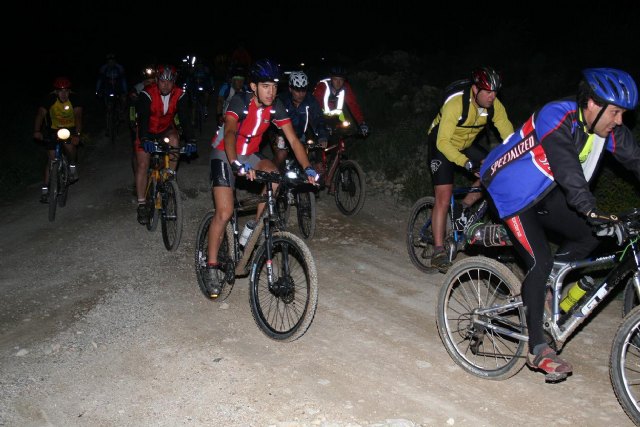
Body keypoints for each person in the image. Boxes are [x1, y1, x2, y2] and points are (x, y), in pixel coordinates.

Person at [480, 68, 640, 380]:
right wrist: (591, 210)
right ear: (592, 103)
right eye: (616, 112)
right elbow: (567, 168)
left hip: (546, 192)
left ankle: (543, 285)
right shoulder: (556, 116)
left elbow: (636, 160)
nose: (620, 121)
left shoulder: (607, 129)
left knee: (591, 237)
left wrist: (592, 219)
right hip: (512, 189)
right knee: (539, 260)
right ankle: (537, 348)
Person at [203, 59, 319, 298]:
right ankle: (211, 266)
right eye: (266, 86)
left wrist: (308, 168)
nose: (272, 91)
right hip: (225, 153)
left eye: (275, 86)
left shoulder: (276, 107)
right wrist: (236, 163)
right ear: (254, 86)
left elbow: (294, 141)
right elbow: (232, 132)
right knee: (224, 212)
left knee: (275, 176)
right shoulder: (240, 102)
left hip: (250, 154)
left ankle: (253, 228)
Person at [427, 66, 514, 272]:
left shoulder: (495, 106)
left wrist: (518, 157)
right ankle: (438, 250)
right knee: (443, 195)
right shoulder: (456, 104)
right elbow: (444, 142)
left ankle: (463, 206)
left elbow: (510, 138)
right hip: (441, 145)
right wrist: (466, 163)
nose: (493, 97)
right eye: (488, 92)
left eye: (495, 92)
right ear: (475, 89)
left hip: (466, 145)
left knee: (495, 169)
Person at [135, 64, 196, 224]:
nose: (166, 85)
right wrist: (144, 139)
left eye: (170, 82)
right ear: (157, 80)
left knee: (175, 140)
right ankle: (141, 203)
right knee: (143, 164)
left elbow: (184, 118)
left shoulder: (180, 94)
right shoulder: (147, 93)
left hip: (164, 130)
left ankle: (168, 179)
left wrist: (191, 140)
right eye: (162, 81)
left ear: (174, 81)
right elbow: (142, 118)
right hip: (146, 131)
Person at [33, 76, 83, 203]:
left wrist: (77, 134)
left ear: (69, 91)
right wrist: (37, 131)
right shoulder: (49, 99)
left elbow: (78, 116)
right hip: (53, 129)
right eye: (61, 91)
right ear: (55, 91)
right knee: (51, 159)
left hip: (70, 129)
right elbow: (40, 114)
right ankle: (45, 190)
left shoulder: (75, 99)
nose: (64, 94)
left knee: (69, 146)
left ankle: (72, 165)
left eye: (66, 91)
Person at [271, 70, 329, 169]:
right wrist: (278, 135)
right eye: (297, 90)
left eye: (303, 90)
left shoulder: (310, 100)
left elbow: (319, 119)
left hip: (299, 135)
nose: (301, 94)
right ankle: (271, 175)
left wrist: (322, 137)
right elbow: (270, 119)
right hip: (279, 133)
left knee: (304, 157)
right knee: (281, 155)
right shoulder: (281, 100)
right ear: (290, 88)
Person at [312, 65, 368, 135]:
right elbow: (315, 105)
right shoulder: (322, 86)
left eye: (341, 80)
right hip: (320, 116)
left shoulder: (346, 87)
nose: (338, 83)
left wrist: (361, 123)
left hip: (337, 117)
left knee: (345, 131)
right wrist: (321, 124)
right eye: (335, 79)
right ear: (331, 78)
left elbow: (353, 104)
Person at [96, 53, 128, 118]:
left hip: (118, 86)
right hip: (108, 87)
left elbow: (123, 80)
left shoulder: (119, 67)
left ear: (115, 61)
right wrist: (97, 90)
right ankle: (108, 116)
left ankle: (122, 111)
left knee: (123, 98)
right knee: (106, 100)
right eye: (109, 61)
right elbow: (100, 80)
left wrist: (125, 91)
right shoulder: (104, 68)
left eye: (112, 61)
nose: (111, 63)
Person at [185, 58, 215, 122]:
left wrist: (212, 86)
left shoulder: (205, 69)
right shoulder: (194, 70)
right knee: (194, 105)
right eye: (198, 64)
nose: (199, 65)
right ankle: (193, 121)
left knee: (206, 94)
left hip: (204, 86)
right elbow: (189, 78)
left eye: (201, 64)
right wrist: (187, 86)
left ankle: (205, 108)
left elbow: (210, 78)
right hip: (195, 87)